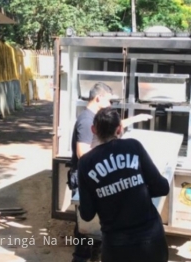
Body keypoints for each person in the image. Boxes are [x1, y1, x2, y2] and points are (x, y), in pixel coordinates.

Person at [68, 82, 152, 262]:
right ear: (98, 98)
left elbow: (112, 126)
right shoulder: (86, 120)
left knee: (97, 224)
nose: (111, 105)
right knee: (85, 227)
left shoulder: (95, 119)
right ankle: (81, 258)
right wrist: (107, 158)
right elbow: (82, 153)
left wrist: (135, 119)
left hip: (94, 174)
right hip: (85, 177)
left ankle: (94, 255)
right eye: (109, 101)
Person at [77, 107, 170, 262]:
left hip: (116, 246)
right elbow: (162, 187)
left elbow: (87, 214)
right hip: (151, 239)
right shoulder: (133, 147)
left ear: (93, 130)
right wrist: (136, 189)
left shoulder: (85, 163)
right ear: (119, 129)